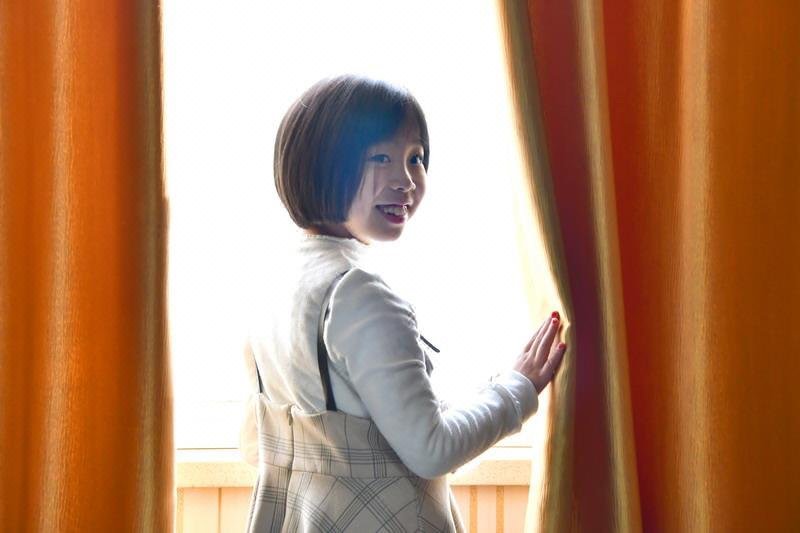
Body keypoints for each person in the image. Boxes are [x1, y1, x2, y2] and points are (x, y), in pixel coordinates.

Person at [242, 74, 567, 532]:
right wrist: (518, 388)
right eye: (381, 158)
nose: (407, 180)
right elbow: (432, 450)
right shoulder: (358, 293)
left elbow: (255, 440)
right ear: (323, 163)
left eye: (415, 157)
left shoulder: (278, 280)